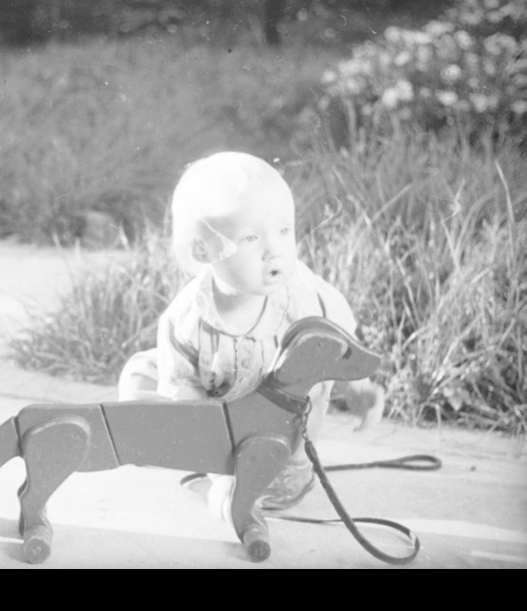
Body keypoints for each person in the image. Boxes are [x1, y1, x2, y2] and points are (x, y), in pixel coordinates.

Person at [117, 151, 384, 520]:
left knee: (283, 491)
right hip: (218, 403)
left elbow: (338, 350)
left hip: (285, 420)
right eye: (251, 236)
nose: (274, 249)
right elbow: (195, 418)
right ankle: (153, 373)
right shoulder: (186, 322)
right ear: (202, 249)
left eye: (284, 230)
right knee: (166, 407)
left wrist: (357, 389)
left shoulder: (308, 299)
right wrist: (222, 474)